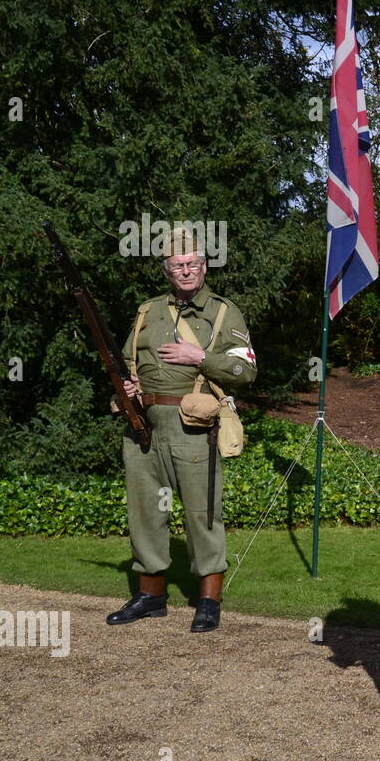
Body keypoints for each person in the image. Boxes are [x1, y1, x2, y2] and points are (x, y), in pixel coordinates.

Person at [106, 227, 256, 633]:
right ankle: (150, 595)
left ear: (204, 267)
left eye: (193, 264)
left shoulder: (224, 312)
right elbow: (124, 361)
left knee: (202, 513)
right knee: (145, 512)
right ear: (167, 270)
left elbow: (246, 370)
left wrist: (201, 356)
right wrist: (130, 385)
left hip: (193, 426)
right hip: (143, 426)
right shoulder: (146, 312)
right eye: (177, 265)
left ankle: (208, 600)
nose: (186, 271)